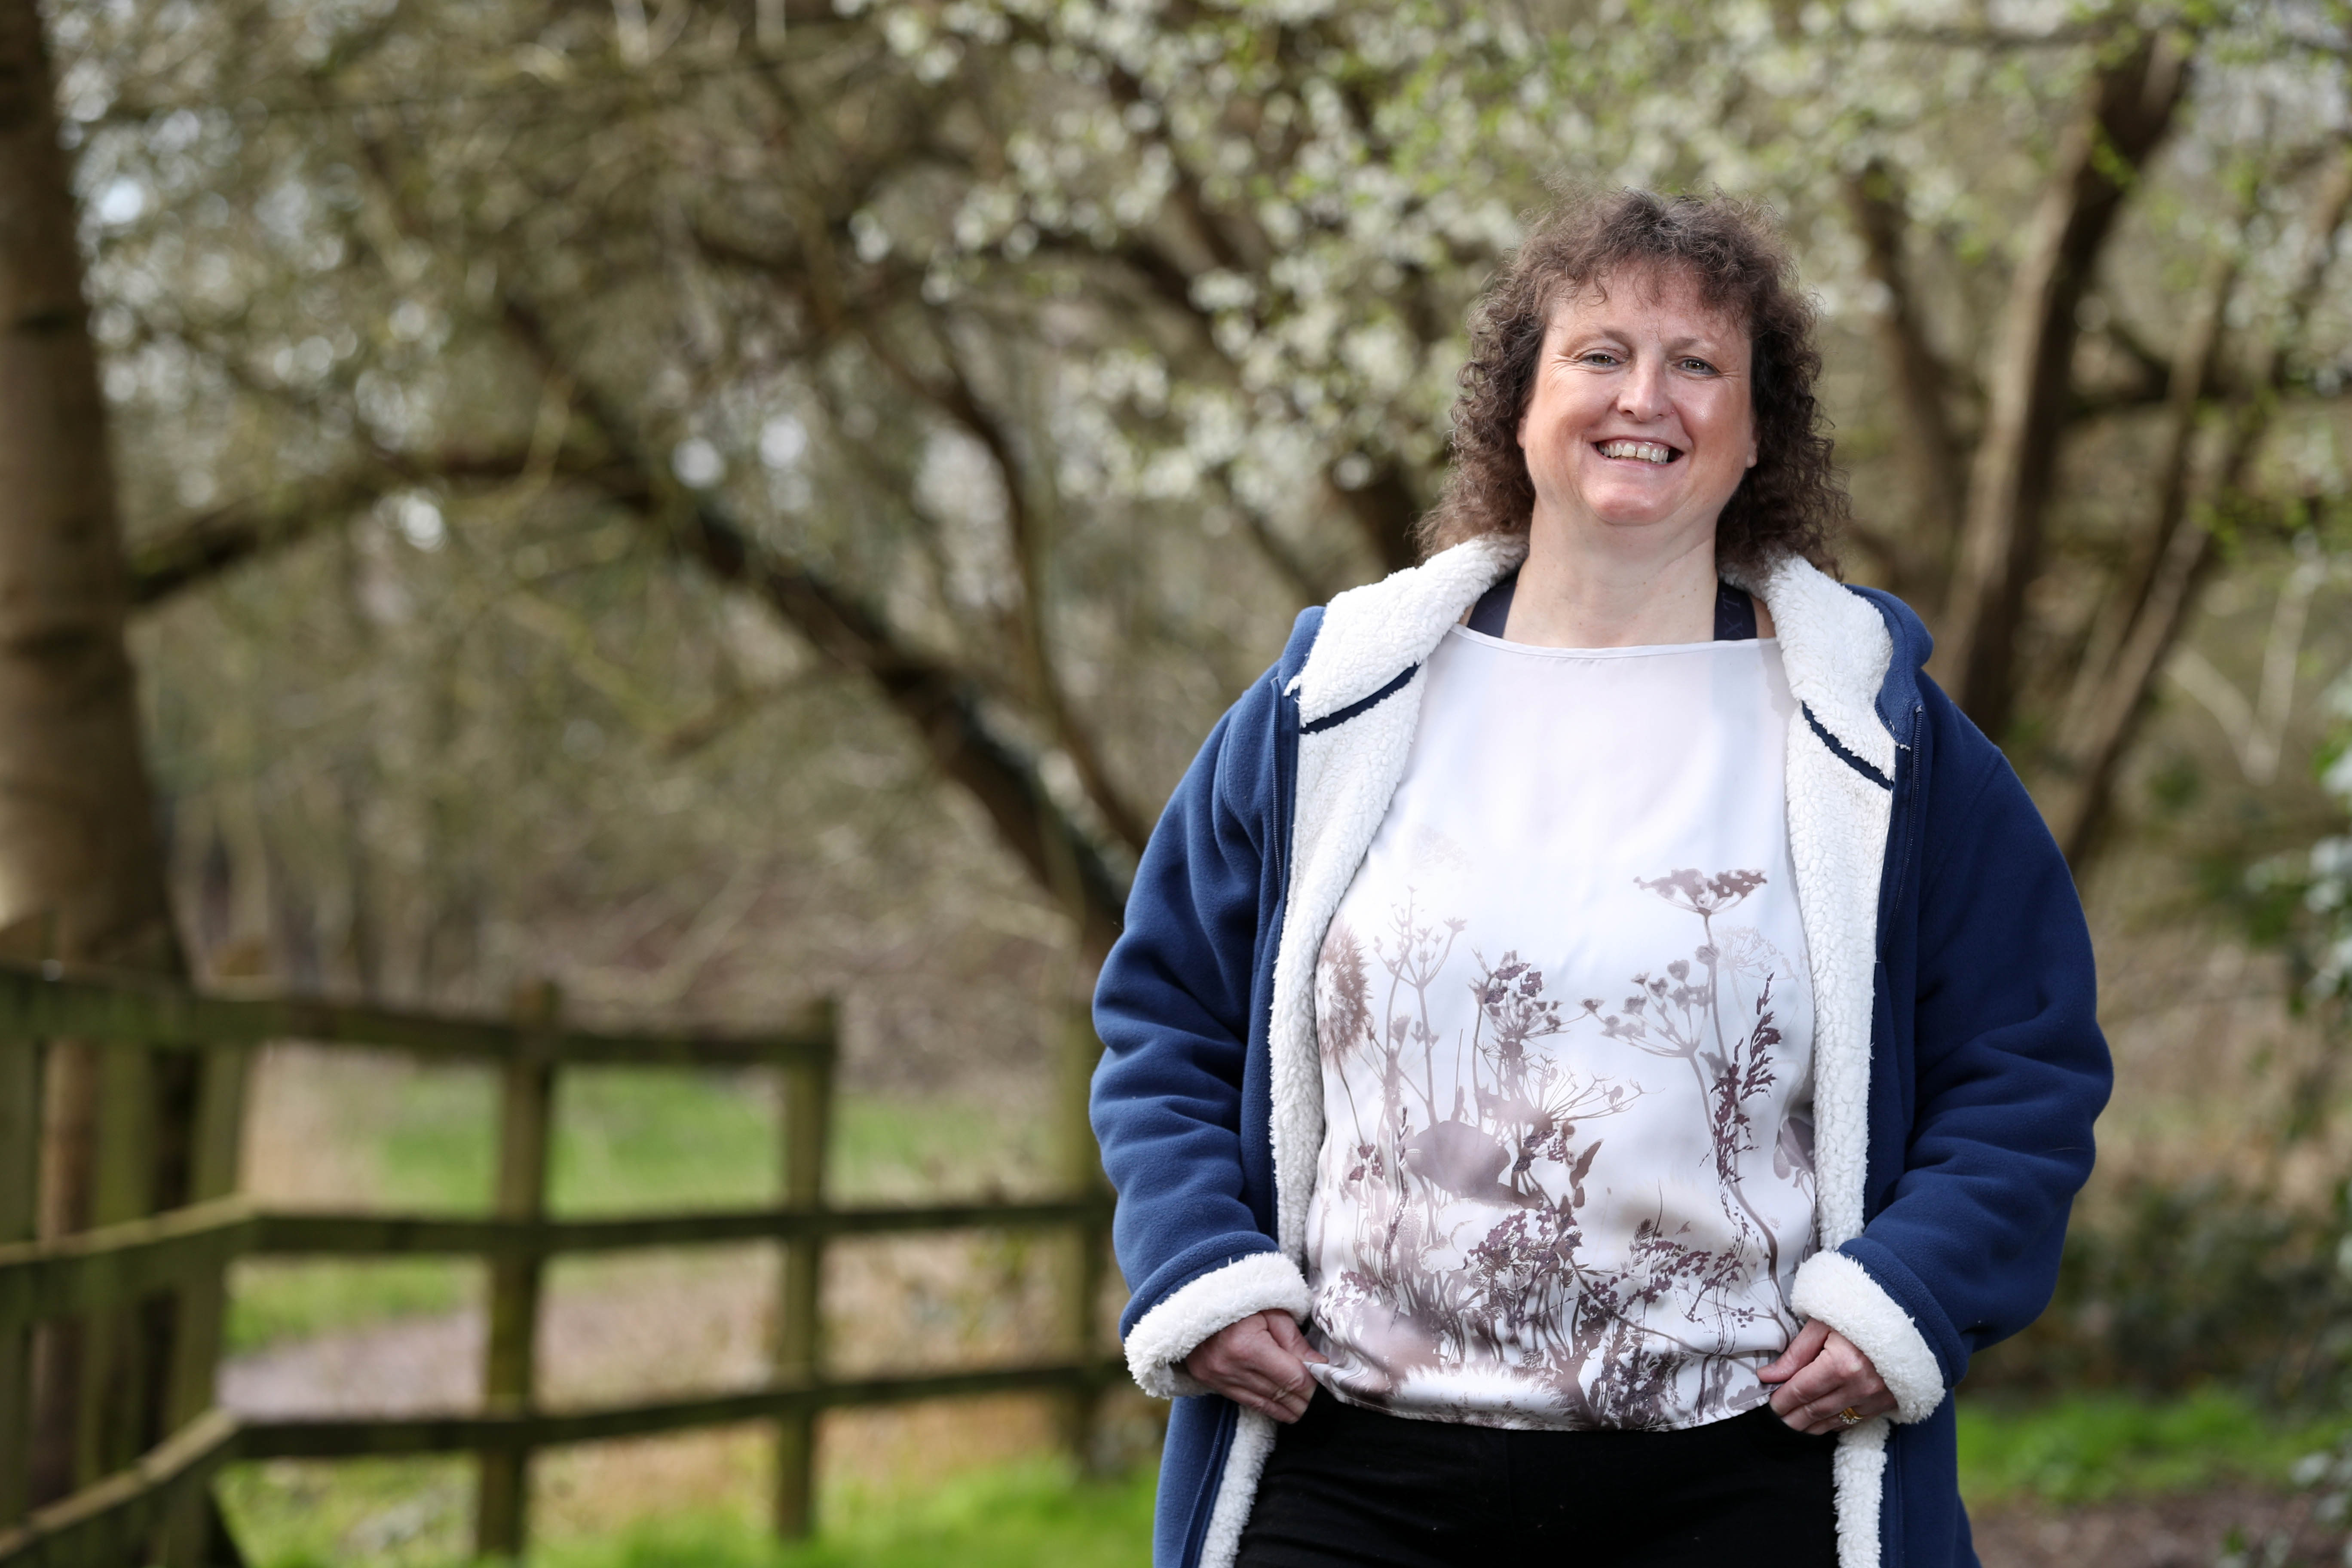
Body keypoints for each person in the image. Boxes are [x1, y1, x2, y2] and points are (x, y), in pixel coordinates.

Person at [1090, 188, 2109, 1568]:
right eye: (1600, 355)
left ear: (1758, 437)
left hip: (1740, 1476)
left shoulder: (1878, 737)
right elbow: (1167, 1024)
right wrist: (1198, 1265)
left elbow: (2025, 1064)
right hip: (1347, 1473)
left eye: (1700, 365)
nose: (1650, 397)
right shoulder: (1333, 703)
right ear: (1518, 404)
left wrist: (1906, 1296)